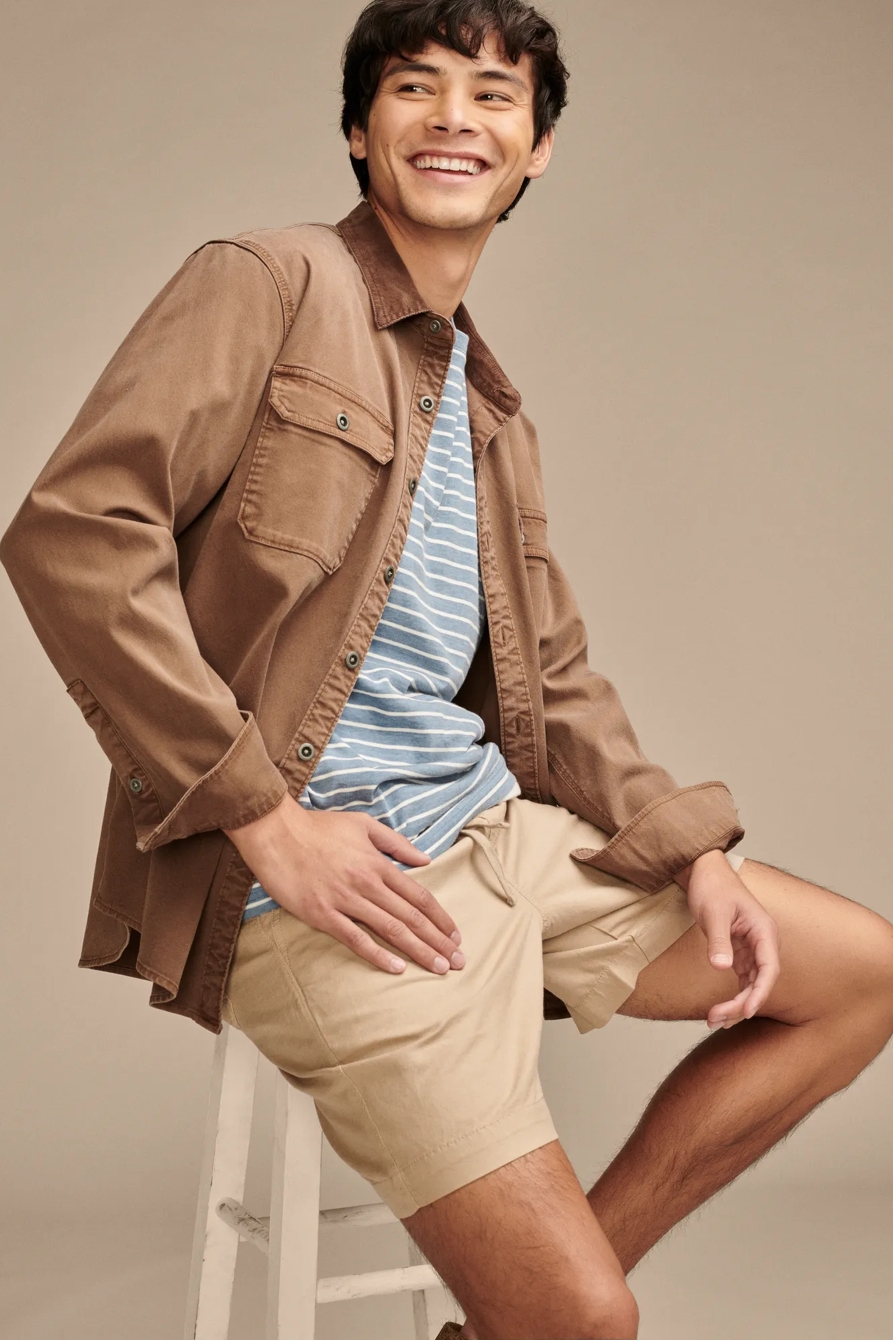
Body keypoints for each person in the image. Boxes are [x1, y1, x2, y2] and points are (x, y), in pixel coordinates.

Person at [2, 2, 891, 1337]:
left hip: (494, 835)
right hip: (322, 885)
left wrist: (691, 849)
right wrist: (263, 820)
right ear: (360, 132)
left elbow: (556, 682)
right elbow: (75, 533)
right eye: (414, 88)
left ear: (537, 147)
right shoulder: (268, 279)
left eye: (492, 94)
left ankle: (504, 1325)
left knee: (862, 974)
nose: (453, 118)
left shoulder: (484, 405)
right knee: (591, 1327)